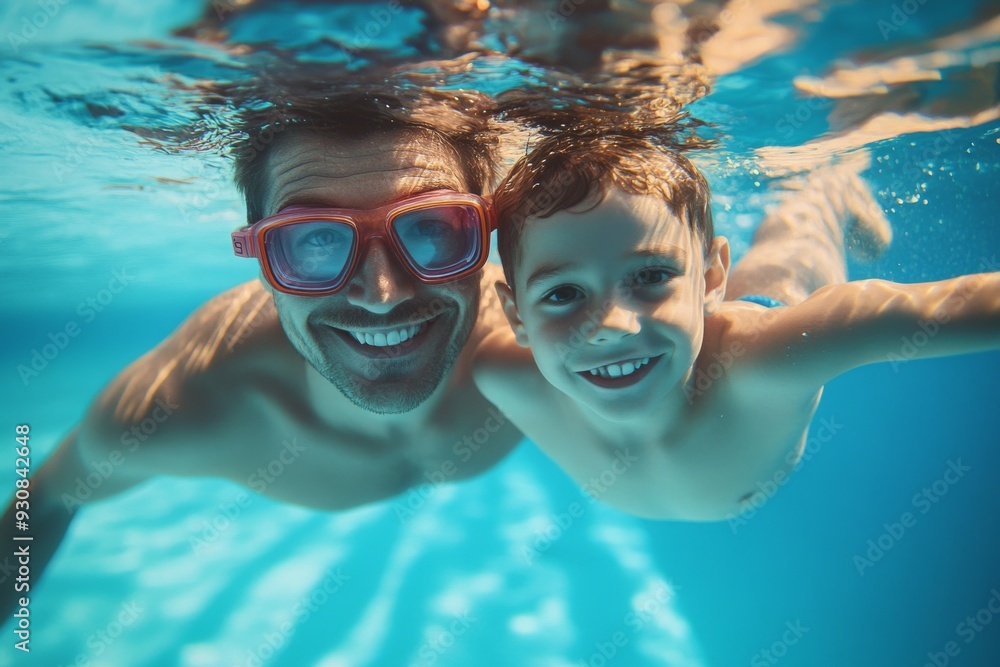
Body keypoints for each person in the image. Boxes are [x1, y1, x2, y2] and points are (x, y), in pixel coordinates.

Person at [0, 89, 526, 617]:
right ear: (262, 263)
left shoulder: (548, 342)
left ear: (483, 235)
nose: (385, 295)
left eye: (430, 228)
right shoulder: (174, 410)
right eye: (315, 242)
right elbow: (44, 500)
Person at [475, 126, 1000, 520]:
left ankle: (829, 186)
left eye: (652, 276)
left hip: (770, 316)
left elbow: (915, 311)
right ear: (515, 312)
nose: (612, 325)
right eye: (564, 293)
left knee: (788, 254)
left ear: (709, 279)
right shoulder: (499, 372)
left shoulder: (772, 362)